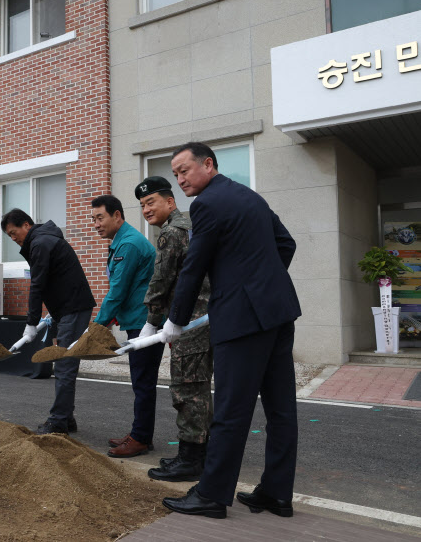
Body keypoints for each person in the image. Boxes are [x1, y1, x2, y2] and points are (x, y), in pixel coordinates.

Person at [158, 142, 301, 519]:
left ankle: (212, 495)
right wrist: (261, 281)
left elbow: (193, 267)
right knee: (281, 409)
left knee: (231, 411)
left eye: (184, 170)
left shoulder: (206, 204)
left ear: (208, 164)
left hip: (242, 320)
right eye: (175, 174)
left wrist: (175, 321)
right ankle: (276, 493)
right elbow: (286, 244)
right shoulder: (249, 197)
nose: (180, 179)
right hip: (278, 312)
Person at [134, 176, 213, 481]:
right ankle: (197, 455)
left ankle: (191, 461)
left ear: (170, 202)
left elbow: (161, 280)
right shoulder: (192, 225)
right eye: (142, 205)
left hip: (189, 323)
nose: (146, 209)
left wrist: (151, 320)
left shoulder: (172, 232)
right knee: (200, 390)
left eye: (151, 202)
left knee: (188, 391)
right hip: (203, 318)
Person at [2, 208, 96, 435]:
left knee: (64, 363)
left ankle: (59, 420)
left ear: (26, 225)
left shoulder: (41, 243)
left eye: (14, 233)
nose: (13, 239)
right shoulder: (43, 239)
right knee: (64, 362)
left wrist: (31, 323)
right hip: (66, 308)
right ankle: (66, 417)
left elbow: (37, 285)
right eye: (9, 237)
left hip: (72, 308)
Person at [88, 195, 163, 458]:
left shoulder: (129, 245)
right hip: (138, 321)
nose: (96, 224)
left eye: (101, 218)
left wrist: (96, 329)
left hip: (145, 325)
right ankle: (139, 433)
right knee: (141, 381)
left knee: (143, 382)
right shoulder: (123, 241)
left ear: (117, 216)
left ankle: (140, 439)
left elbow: (117, 291)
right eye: (93, 219)